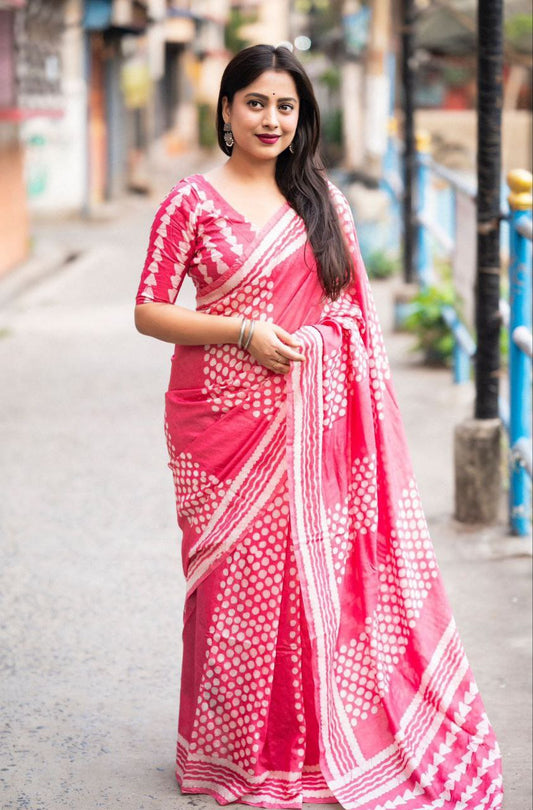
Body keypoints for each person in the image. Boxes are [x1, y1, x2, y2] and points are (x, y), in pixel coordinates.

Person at [134, 44, 503, 810]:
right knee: (229, 590)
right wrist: (240, 332)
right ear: (227, 112)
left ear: (301, 119)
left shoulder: (320, 203)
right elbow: (147, 310)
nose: (271, 119)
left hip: (318, 426)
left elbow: (350, 319)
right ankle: (231, 754)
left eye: (286, 106)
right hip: (221, 433)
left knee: (313, 589)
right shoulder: (190, 202)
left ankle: (309, 743)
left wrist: (311, 349)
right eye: (256, 103)